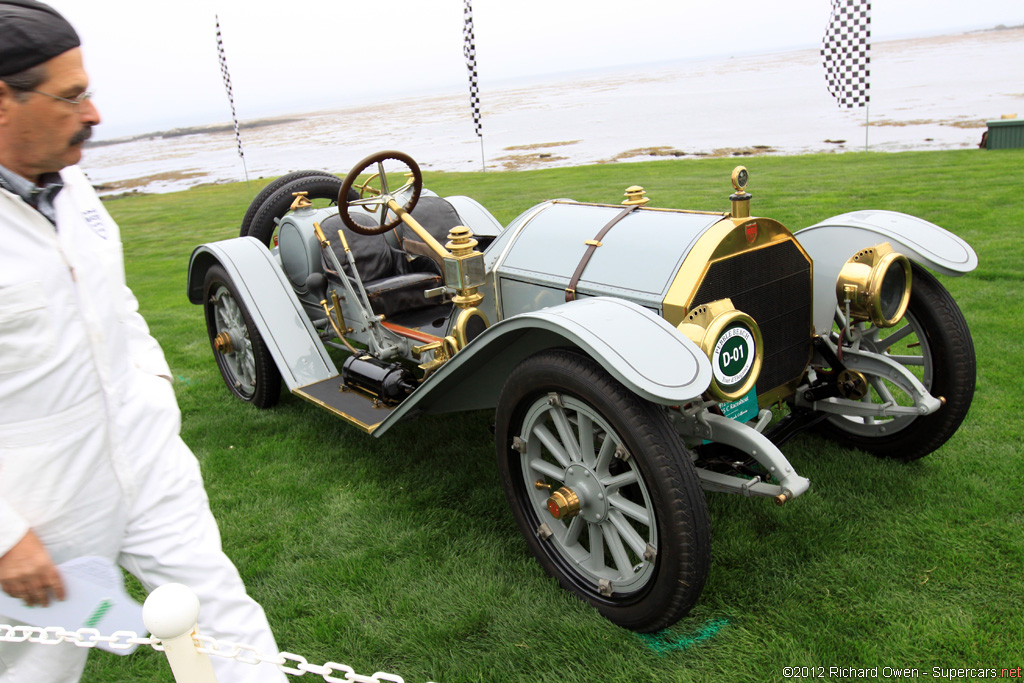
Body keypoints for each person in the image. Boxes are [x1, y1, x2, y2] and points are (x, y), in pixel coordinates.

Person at [0, 2, 287, 681]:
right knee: (36, 662)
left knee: (222, 617)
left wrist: (152, 390)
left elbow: (114, 302)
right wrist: (6, 535)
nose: (94, 115)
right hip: (37, 495)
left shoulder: (68, 179)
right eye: (71, 98)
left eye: (88, 91)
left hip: (144, 453)